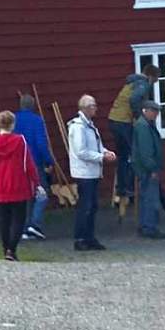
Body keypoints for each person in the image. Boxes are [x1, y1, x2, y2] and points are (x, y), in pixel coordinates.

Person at [0, 110, 43, 261]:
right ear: (12, 124)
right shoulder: (19, 141)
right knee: (19, 219)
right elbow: (28, 164)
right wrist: (36, 182)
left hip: (0, 185)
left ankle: (5, 250)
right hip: (18, 184)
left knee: (5, 219)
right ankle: (12, 250)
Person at [67, 93, 118, 252]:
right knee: (85, 206)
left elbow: (97, 146)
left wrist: (106, 152)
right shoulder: (78, 127)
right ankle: (80, 238)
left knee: (93, 206)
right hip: (84, 173)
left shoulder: (90, 125)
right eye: (93, 106)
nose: (96, 108)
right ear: (86, 108)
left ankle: (89, 237)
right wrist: (101, 157)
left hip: (93, 172)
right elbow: (81, 151)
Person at [106, 62, 158, 204]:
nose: (154, 84)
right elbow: (134, 99)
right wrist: (138, 116)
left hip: (113, 120)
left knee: (123, 156)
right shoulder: (142, 84)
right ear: (151, 77)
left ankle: (122, 188)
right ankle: (129, 187)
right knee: (133, 154)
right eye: (155, 80)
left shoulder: (131, 82)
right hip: (123, 122)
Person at [13, 95, 55, 240]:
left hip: (16, 163)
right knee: (41, 194)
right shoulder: (37, 120)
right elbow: (41, 143)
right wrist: (49, 161)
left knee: (24, 195)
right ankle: (34, 224)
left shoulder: (13, 120)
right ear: (33, 105)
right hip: (33, 162)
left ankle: (23, 227)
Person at [131, 102, 165, 239]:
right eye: (154, 111)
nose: (156, 114)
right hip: (147, 169)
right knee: (150, 198)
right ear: (145, 111)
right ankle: (149, 228)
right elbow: (146, 152)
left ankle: (144, 225)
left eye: (157, 111)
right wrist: (152, 168)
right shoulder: (143, 127)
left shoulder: (146, 124)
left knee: (146, 197)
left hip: (145, 168)